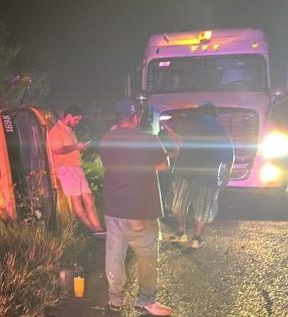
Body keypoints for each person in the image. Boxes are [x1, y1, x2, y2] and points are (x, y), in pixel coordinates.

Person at [99, 99, 172, 316]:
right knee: (146, 256)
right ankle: (146, 301)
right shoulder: (149, 139)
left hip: (114, 208)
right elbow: (163, 165)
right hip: (142, 209)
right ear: (136, 116)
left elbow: (108, 164)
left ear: (117, 117)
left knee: (114, 255)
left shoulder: (106, 139)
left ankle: (115, 301)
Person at [167, 103, 234, 249]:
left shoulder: (189, 125)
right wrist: (226, 176)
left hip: (185, 172)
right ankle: (197, 239)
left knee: (178, 203)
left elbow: (170, 124)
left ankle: (181, 233)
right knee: (204, 208)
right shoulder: (222, 132)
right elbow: (229, 158)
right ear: (215, 115)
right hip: (208, 177)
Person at [48, 104, 105, 234]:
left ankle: (98, 228)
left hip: (76, 168)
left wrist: (79, 147)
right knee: (77, 202)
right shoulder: (56, 131)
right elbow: (57, 150)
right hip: (66, 170)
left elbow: (71, 148)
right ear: (68, 116)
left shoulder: (70, 130)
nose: (77, 122)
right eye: (76, 119)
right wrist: (75, 146)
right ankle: (94, 230)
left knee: (89, 198)